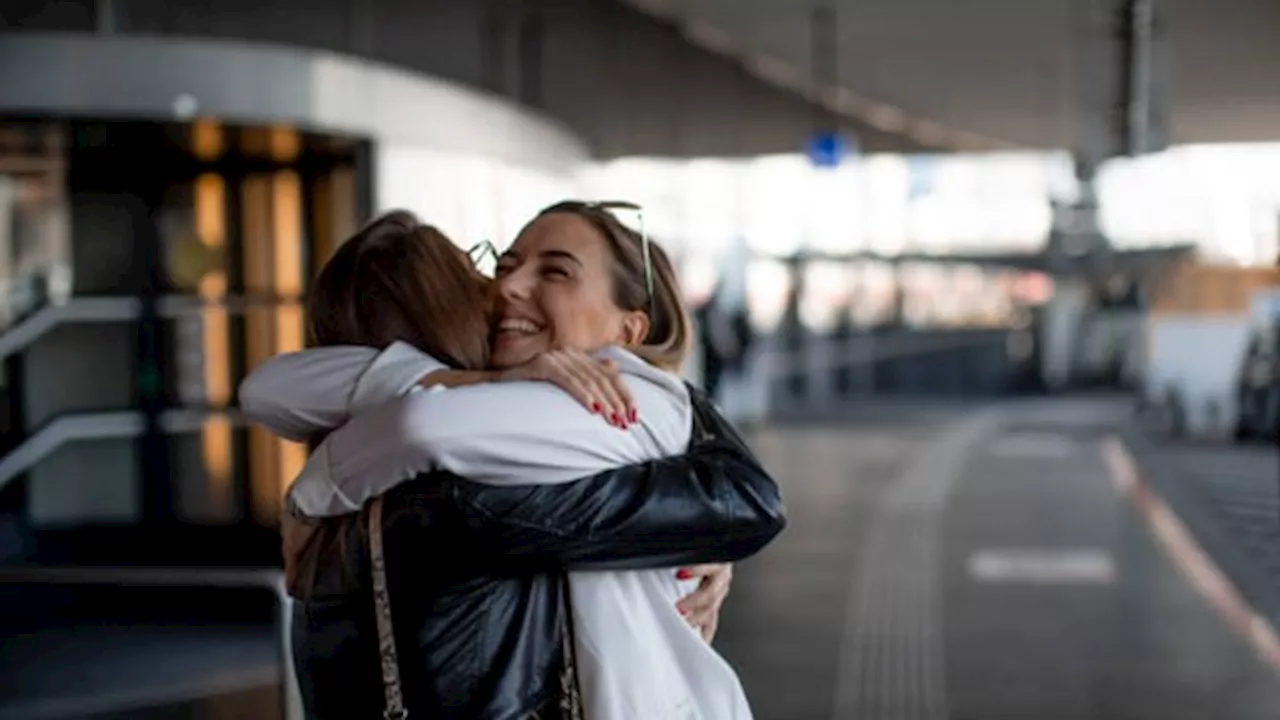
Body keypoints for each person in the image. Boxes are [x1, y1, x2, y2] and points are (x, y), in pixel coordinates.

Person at [239, 207, 785, 719]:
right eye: (501, 268)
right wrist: (479, 381)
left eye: (557, 272)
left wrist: (310, 492)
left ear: (629, 329)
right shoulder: (475, 429)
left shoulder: (616, 392)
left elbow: (418, 426)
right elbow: (276, 391)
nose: (506, 288)